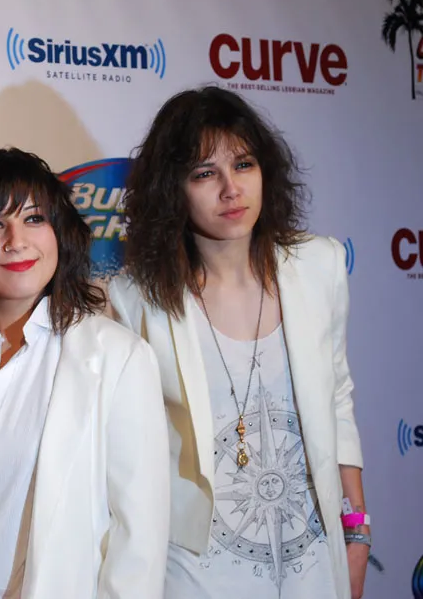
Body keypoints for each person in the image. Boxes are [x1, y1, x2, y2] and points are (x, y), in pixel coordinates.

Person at [108, 86, 369, 599]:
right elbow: (127, 453)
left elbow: (338, 400)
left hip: (313, 557)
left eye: (243, 164)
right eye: (205, 173)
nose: (231, 189)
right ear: (173, 189)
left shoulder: (319, 266)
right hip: (197, 566)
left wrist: (356, 527)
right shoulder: (136, 299)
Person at [0, 148, 169, 599]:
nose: (16, 241)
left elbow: (138, 542)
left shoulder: (117, 357)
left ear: (61, 231)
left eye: (34, 219)